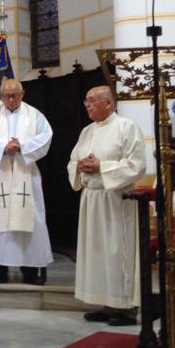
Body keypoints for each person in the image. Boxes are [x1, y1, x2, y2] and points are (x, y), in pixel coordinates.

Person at [67, 86, 146, 326]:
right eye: (86, 101)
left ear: (108, 103)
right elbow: (72, 161)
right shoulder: (87, 131)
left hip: (116, 199)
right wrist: (80, 166)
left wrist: (102, 166)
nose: (87, 105)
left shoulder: (126, 127)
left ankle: (126, 308)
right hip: (91, 199)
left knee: (117, 251)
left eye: (92, 101)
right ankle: (106, 303)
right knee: (97, 252)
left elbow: (137, 165)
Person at [0, 78, 53, 284]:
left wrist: (22, 146)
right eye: (6, 96)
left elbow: (46, 136)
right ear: (0, 96)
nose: (11, 99)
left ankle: (30, 271)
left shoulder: (34, 115)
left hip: (25, 172)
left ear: (22, 94)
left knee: (30, 218)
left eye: (15, 95)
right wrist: (3, 147)